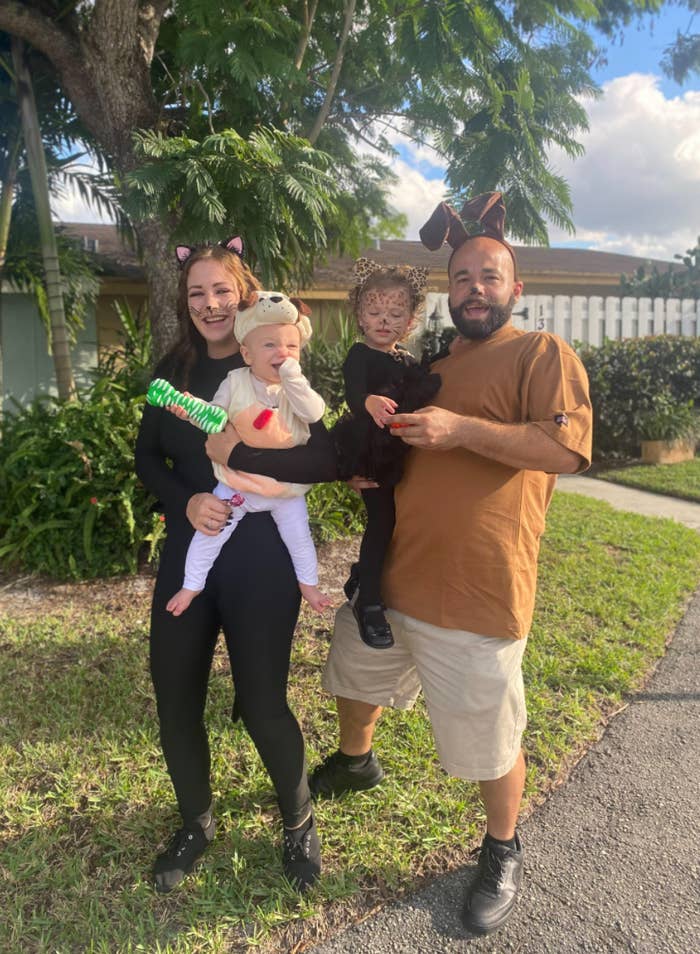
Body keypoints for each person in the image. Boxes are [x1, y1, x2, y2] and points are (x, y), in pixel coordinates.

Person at [309, 193, 593, 935]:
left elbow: (564, 449)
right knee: (353, 677)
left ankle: (502, 847)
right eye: (463, 277)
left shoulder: (542, 356)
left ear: (515, 289)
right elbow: (390, 441)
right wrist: (366, 465)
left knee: (488, 735)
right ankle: (355, 760)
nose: (475, 288)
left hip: (480, 587)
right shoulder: (424, 364)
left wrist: (462, 428)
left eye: (490, 277)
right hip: (395, 574)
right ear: (449, 289)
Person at [135, 236, 337, 894]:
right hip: (194, 550)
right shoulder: (172, 372)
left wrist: (248, 463)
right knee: (175, 695)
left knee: (261, 702)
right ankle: (196, 821)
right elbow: (148, 461)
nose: (211, 303)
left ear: (243, 293)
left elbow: (320, 457)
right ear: (184, 302)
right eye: (197, 293)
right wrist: (185, 499)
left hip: (260, 556)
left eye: (222, 290)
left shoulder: (278, 364)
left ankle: (298, 818)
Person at [165, 289, 332, 617]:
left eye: (292, 347)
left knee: (299, 537)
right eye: (270, 345)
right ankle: (192, 585)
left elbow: (314, 413)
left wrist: (293, 377)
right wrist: (190, 409)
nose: (282, 353)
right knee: (210, 531)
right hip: (238, 484)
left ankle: (308, 584)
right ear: (247, 353)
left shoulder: (296, 388)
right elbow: (215, 417)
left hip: (286, 489)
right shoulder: (235, 381)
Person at [331, 259, 441, 649]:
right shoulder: (360, 356)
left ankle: (364, 574)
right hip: (370, 451)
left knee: (399, 525)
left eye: (395, 314)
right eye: (375, 312)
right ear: (360, 315)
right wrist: (368, 401)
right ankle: (370, 604)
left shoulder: (406, 360)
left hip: (399, 455)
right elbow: (352, 394)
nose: (384, 321)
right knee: (381, 523)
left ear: (410, 321)